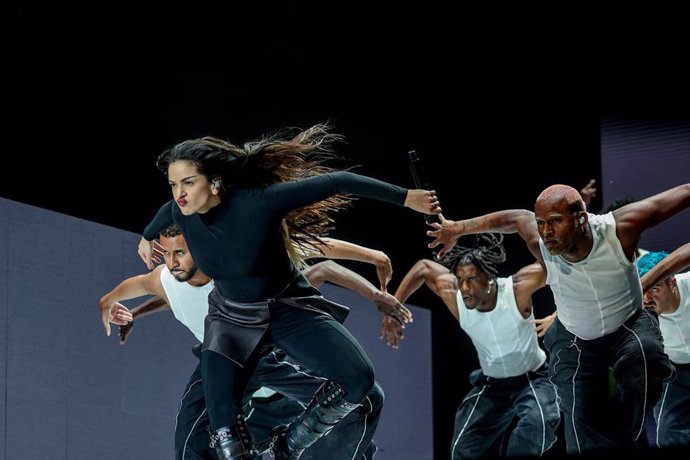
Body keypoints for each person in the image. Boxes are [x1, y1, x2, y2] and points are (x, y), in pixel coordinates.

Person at [137, 123, 441, 459]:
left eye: (188, 183)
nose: (179, 193)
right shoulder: (177, 212)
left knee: (359, 378)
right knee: (222, 430)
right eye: (173, 184)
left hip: (288, 308)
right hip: (231, 320)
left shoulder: (258, 203)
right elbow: (157, 221)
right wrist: (146, 238)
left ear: (215, 181)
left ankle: (291, 444)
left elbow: (335, 182)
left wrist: (406, 198)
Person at [102, 224, 411, 459]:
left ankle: (351, 448)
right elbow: (148, 290)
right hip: (220, 360)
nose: (172, 263)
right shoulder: (166, 277)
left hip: (267, 353)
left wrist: (373, 259)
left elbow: (317, 254)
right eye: (167, 254)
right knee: (189, 441)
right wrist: (122, 310)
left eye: (179, 253)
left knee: (364, 396)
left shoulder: (238, 263)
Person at [427, 183, 690, 454]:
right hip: (576, 340)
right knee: (578, 414)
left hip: (628, 327)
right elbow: (514, 218)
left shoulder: (619, 227)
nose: (546, 232)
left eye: (555, 222)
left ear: (581, 219)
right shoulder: (541, 243)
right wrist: (457, 228)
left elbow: (682, 193)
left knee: (647, 356)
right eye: (541, 223)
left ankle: (623, 433)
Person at [393, 233, 559, 458]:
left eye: (471, 278)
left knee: (537, 424)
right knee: (464, 448)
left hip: (531, 379)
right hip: (492, 384)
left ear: (489, 278)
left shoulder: (517, 289)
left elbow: (564, 265)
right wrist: (393, 310)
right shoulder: (457, 298)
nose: (464, 287)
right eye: (460, 279)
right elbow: (423, 268)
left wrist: (559, 315)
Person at [637, 245, 690, 450]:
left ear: (673, 283)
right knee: (666, 432)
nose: (647, 299)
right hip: (673, 372)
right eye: (643, 290)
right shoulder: (638, 306)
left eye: (655, 289)